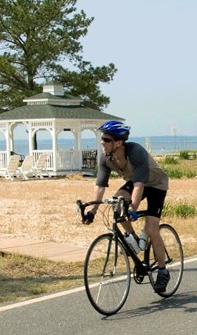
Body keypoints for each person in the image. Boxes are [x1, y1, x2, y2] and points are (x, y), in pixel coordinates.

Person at [81, 120, 171, 293]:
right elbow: (100, 186)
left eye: (106, 140)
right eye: (102, 139)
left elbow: (139, 185)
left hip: (156, 184)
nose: (102, 142)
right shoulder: (105, 157)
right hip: (136, 182)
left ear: (119, 142)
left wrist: (133, 209)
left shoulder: (135, 152)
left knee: (152, 228)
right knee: (117, 204)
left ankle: (162, 270)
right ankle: (132, 238)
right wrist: (92, 211)